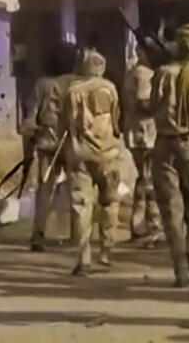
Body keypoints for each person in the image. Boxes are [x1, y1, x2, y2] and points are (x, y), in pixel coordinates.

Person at [151, 23, 189, 286]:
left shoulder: (162, 73)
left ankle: (181, 269)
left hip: (164, 143)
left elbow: (153, 106)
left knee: (171, 210)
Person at [63, 49, 123, 276]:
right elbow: (116, 121)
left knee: (81, 205)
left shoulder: (72, 91)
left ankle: (83, 258)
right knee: (110, 202)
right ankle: (106, 251)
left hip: (80, 153)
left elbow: (66, 123)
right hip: (108, 153)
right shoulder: (110, 88)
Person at [24, 43, 78, 251]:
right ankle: (77, 235)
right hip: (74, 145)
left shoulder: (41, 85)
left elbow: (30, 120)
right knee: (77, 188)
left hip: (47, 144)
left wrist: (28, 149)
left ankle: (38, 235)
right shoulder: (78, 84)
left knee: (45, 189)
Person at [123, 38, 163, 243]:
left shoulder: (133, 72)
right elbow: (144, 102)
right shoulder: (144, 75)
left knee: (143, 178)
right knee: (150, 180)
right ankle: (153, 225)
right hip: (146, 134)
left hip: (136, 132)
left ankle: (138, 223)